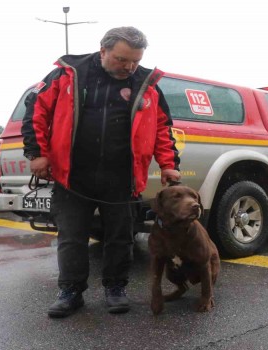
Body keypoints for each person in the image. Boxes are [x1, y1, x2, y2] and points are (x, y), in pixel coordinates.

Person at [21, 26, 181, 318]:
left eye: (134, 60)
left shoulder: (146, 84)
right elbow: (36, 111)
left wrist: (169, 164)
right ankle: (70, 291)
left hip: (121, 177)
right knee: (71, 236)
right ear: (103, 50)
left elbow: (162, 128)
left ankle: (116, 288)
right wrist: (37, 153)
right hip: (73, 176)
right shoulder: (67, 74)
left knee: (120, 236)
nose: (129, 67)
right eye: (121, 59)